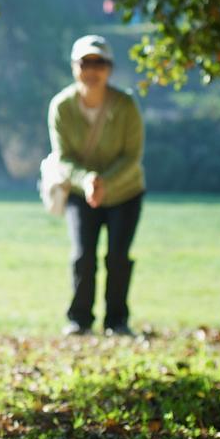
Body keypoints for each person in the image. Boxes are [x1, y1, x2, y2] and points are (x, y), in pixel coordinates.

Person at [48, 35, 145, 337]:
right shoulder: (62, 106)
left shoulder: (126, 105)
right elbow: (62, 157)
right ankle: (79, 320)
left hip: (125, 192)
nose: (92, 70)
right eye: (85, 63)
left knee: (117, 256)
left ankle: (117, 321)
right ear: (75, 67)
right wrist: (87, 180)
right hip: (80, 192)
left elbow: (133, 156)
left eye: (98, 63)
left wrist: (105, 182)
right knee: (82, 255)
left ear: (109, 69)